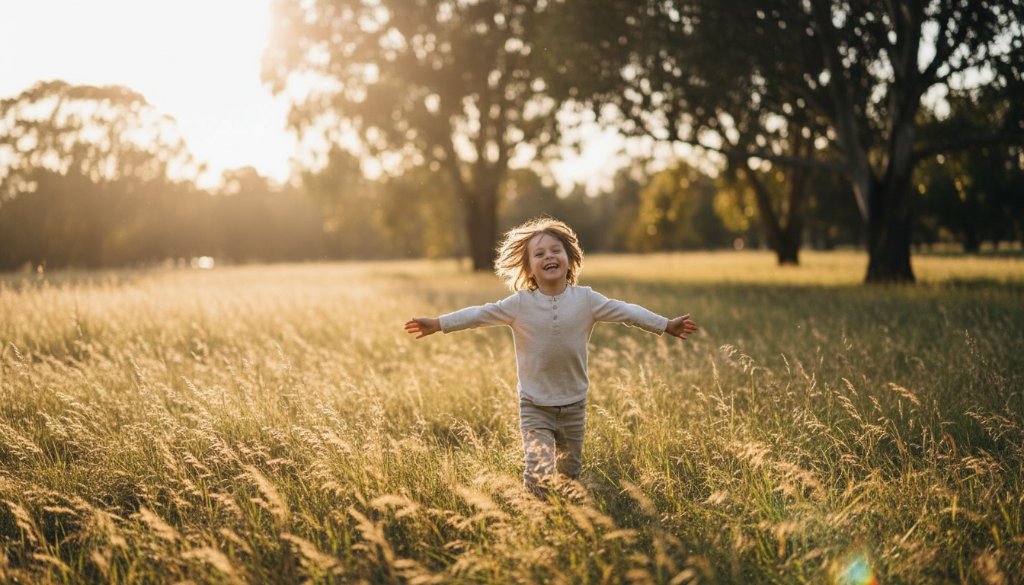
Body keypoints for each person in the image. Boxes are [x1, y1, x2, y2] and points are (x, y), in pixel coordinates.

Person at [404, 217, 698, 497]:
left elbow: (627, 312)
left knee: (569, 473)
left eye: (556, 250)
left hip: (573, 403)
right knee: (538, 471)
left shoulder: (587, 300)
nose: (549, 256)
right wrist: (439, 323)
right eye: (540, 253)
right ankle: (536, 515)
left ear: (569, 259)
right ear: (529, 268)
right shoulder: (519, 304)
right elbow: (479, 314)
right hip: (534, 404)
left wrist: (665, 324)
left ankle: (565, 517)